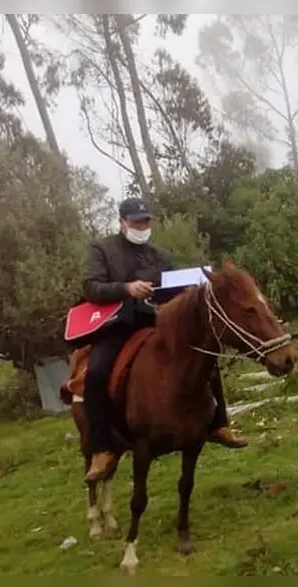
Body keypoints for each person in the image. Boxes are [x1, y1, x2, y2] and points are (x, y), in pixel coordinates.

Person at [81, 197, 247, 483]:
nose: (142, 226)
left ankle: (219, 425)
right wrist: (127, 289)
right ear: (122, 222)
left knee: (205, 359)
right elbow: (91, 287)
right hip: (118, 325)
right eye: (136, 222)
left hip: (157, 323)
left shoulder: (161, 255)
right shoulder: (102, 249)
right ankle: (102, 448)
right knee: (96, 373)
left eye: (146, 221)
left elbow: (174, 292)